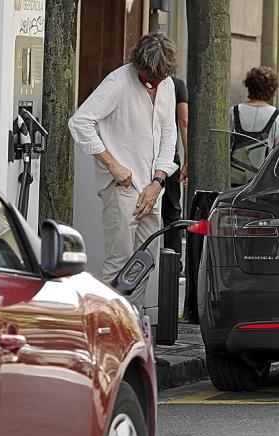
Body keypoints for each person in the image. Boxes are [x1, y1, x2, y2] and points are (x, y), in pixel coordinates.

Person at [68, 33, 179, 308]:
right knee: (120, 264)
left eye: (160, 77)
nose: (154, 82)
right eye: (148, 76)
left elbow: (168, 134)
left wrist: (158, 182)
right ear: (137, 64)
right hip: (123, 186)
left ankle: (134, 324)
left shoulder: (167, 86)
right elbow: (80, 123)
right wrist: (113, 165)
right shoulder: (118, 82)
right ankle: (110, 327)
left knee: (145, 262)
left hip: (152, 187)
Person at [229, 66, 279, 186]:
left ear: (249, 87)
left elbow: (226, 144)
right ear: (272, 90)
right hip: (261, 182)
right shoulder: (278, 116)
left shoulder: (234, 111)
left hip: (234, 179)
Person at [161, 76, 188, 270]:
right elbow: (184, 121)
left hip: (142, 155)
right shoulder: (177, 85)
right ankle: (173, 261)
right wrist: (189, 159)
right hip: (169, 155)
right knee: (172, 210)